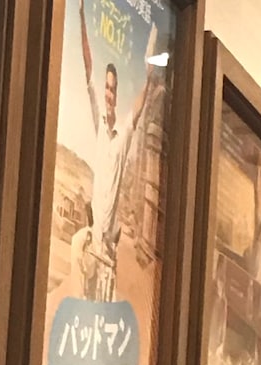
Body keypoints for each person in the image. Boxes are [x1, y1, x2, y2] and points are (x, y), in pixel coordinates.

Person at [71, 0, 157, 302]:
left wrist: (150, 74)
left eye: (112, 89)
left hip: (109, 252)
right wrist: (82, 17)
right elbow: (88, 67)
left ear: (117, 94)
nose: (108, 94)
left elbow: (139, 107)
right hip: (92, 246)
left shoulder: (122, 137)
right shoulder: (100, 128)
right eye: (106, 88)